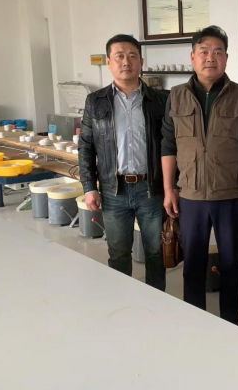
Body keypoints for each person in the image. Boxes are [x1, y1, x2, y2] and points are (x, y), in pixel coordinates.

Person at [161, 25, 238, 325]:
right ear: (192, 57)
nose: (210, 58)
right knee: (193, 264)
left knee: (231, 263)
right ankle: (195, 322)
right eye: (203, 52)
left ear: (226, 58)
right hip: (190, 195)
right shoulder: (176, 96)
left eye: (217, 52)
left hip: (232, 195)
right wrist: (169, 189)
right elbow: (168, 145)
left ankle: (230, 321)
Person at [79, 34, 167, 290]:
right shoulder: (95, 101)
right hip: (113, 189)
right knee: (118, 254)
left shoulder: (161, 100)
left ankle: (156, 301)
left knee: (156, 252)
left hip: (151, 188)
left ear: (141, 61)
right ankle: (122, 301)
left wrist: (173, 186)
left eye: (132, 56)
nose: (126, 62)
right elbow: (86, 146)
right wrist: (89, 187)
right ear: (109, 62)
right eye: (119, 56)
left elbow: (171, 146)